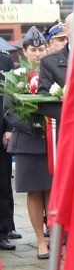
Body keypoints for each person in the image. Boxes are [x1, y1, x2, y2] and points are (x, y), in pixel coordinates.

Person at [4, 27, 52, 259]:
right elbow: (9, 112)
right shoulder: (17, 75)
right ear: (25, 51)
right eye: (33, 50)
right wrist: (31, 126)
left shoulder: (53, 71)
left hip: (51, 141)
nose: (38, 54)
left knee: (52, 191)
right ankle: (40, 241)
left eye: (41, 49)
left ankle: (54, 232)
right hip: (27, 141)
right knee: (34, 192)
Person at [0, 50, 19, 251]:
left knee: (3, 185)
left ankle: (3, 233)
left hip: (1, 131)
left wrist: (8, 128)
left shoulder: (4, 59)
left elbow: (10, 97)